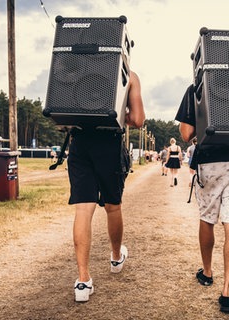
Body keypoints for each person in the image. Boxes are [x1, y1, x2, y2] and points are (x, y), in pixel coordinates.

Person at [175, 84, 229, 314]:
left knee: (207, 218)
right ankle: (228, 292)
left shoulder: (197, 88)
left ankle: (207, 273)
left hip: (210, 160)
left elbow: (187, 133)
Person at [69, 70, 145, 302]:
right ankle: (115, 258)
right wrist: (121, 115)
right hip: (108, 142)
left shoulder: (74, 72)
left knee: (83, 208)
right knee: (113, 206)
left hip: (80, 142)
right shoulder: (128, 76)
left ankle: (83, 280)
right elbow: (139, 120)